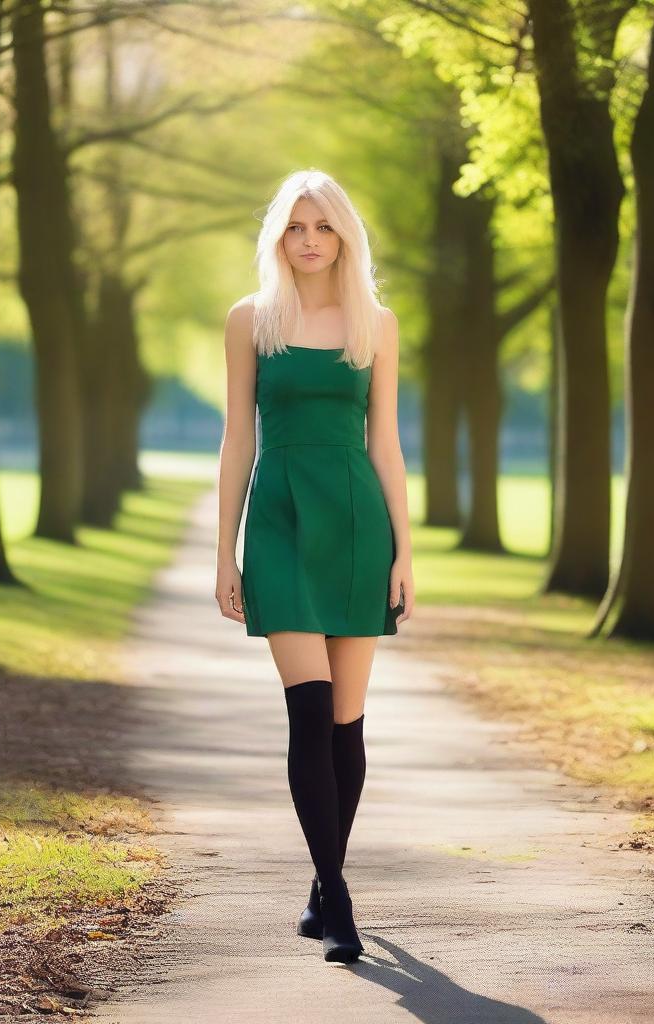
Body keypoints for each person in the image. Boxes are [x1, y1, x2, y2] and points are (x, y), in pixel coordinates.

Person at [215, 169, 415, 964]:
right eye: (295, 226)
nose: (308, 240)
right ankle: (338, 900)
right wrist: (224, 551)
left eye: (322, 226)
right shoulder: (251, 320)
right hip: (282, 523)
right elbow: (238, 439)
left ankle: (319, 881)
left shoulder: (377, 323)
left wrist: (406, 550)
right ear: (278, 236)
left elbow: (388, 443)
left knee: (345, 726)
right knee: (308, 711)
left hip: (360, 523)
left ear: (343, 236)